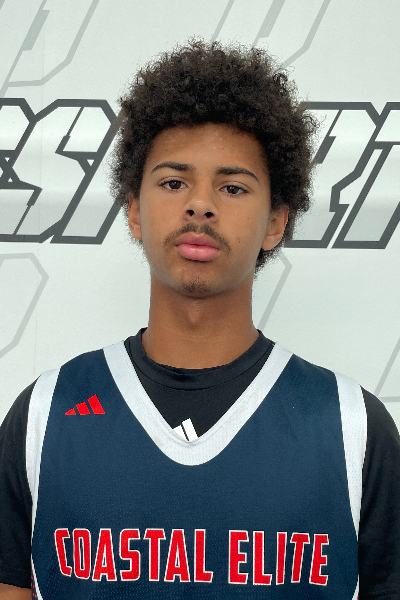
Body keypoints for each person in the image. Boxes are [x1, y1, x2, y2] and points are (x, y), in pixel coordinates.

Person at [0, 39, 399, 600]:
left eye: (232, 187)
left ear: (275, 222)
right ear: (134, 211)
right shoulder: (44, 417)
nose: (200, 204)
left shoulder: (352, 427)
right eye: (173, 182)